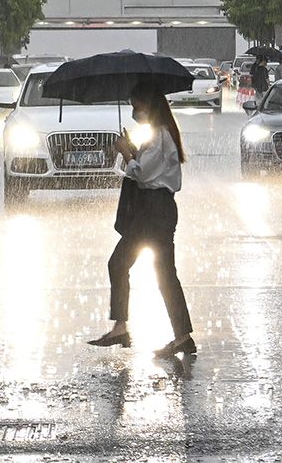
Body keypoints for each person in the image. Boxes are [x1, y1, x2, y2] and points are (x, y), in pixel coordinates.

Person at [87, 81, 196, 357]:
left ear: (149, 106)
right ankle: (178, 336)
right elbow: (147, 168)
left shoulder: (160, 136)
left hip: (154, 210)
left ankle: (124, 328)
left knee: (125, 264)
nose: (134, 112)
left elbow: (144, 175)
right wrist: (133, 152)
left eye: (136, 106)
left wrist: (126, 153)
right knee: (162, 274)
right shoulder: (157, 135)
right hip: (156, 209)